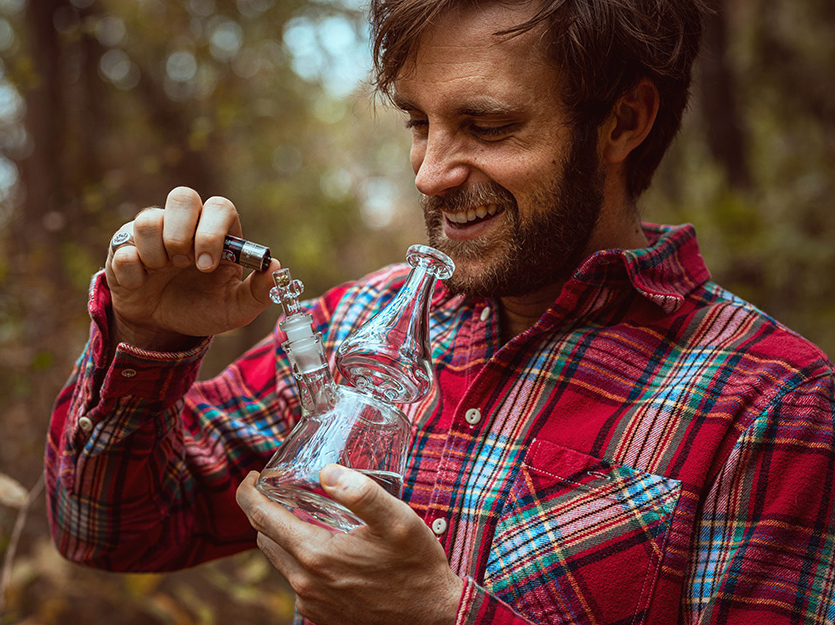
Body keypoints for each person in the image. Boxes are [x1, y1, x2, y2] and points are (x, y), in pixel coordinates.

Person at [45, 0, 835, 623]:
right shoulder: (362, 324)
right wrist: (149, 338)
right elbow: (110, 528)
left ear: (624, 122)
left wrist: (442, 617)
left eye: (487, 126)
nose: (429, 173)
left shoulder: (772, 402)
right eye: (418, 123)